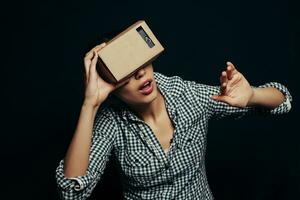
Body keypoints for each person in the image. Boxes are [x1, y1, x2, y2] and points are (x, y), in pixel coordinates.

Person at [55, 31, 292, 200]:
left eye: (136, 60)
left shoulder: (187, 95)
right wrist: (90, 104)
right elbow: (71, 192)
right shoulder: (111, 122)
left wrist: (252, 95)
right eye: (123, 71)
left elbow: (282, 100)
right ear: (111, 85)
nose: (138, 73)